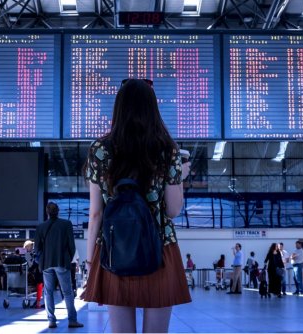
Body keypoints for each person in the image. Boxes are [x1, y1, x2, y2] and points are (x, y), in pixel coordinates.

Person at [82, 78, 192, 333]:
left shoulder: (100, 149)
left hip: (114, 249)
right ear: (152, 108)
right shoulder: (167, 150)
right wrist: (179, 179)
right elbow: (173, 210)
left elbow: (96, 213)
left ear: (118, 108)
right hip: (159, 249)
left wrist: (90, 262)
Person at [35, 202, 83, 329]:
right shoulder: (66, 224)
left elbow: (36, 249)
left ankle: (51, 321)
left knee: (48, 292)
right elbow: (72, 246)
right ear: (58, 211)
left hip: (46, 264)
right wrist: (67, 258)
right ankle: (72, 320)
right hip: (62, 262)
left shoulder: (41, 227)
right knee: (67, 292)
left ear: (47, 212)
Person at [23, 240, 43, 308]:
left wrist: (30, 269)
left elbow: (36, 262)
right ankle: (38, 302)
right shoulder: (34, 252)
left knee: (40, 285)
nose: (26, 249)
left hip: (40, 271)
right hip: (39, 270)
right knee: (39, 286)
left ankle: (38, 302)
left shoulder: (36, 251)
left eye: (27, 247)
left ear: (30, 246)